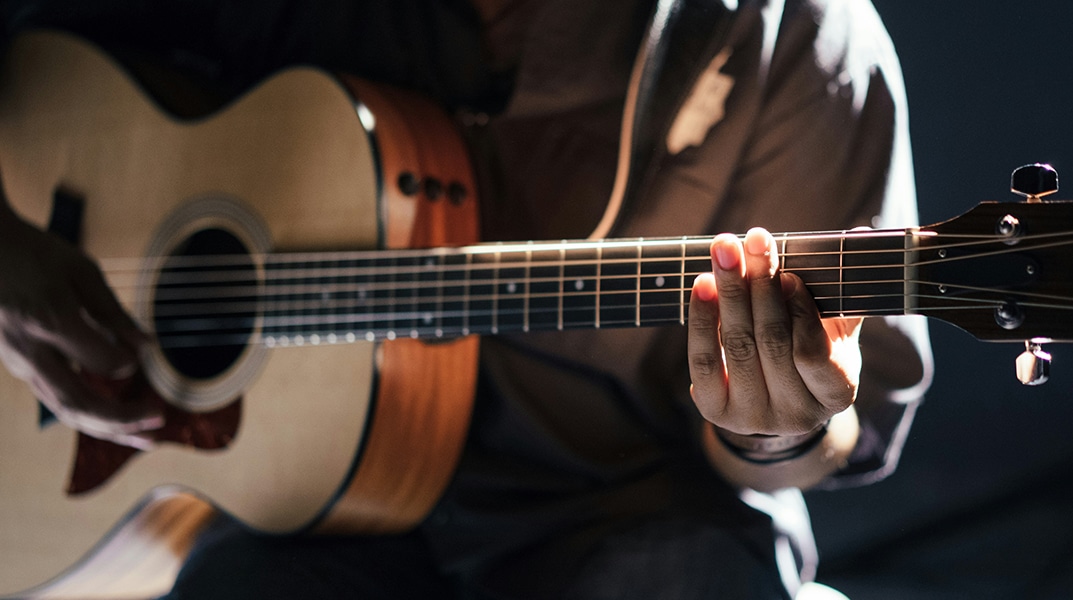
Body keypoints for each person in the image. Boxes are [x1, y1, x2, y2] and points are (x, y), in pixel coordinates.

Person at [0, 0, 932, 597]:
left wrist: (777, 426)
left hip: (628, 511)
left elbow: (836, 434)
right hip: (307, 519)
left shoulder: (797, 34)